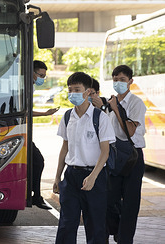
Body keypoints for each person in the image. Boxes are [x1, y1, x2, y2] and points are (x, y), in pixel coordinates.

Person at [53, 72, 115, 244]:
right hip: (71, 177)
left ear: (88, 92)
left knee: (95, 225)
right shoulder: (67, 117)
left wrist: (93, 176)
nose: (72, 93)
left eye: (77, 90)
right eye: (70, 90)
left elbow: (105, 152)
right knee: (66, 223)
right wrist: (58, 176)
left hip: (94, 177)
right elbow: (64, 148)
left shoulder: (100, 118)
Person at [106, 65, 147, 244]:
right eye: (115, 79)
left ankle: (125, 239)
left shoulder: (136, 103)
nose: (118, 83)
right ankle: (116, 230)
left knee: (130, 203)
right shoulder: (111, 102)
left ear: (130, 81)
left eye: (122, 80)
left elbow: (130, 131)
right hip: (115, 155)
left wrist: (116, 109)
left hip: (133, 156)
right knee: (110, 198)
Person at [31, 60, 59, 209]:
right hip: (18, 132)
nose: (42, 78)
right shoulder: (25, 86)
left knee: (37, 161)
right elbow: (26, 111)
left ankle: (35, 195)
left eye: (44, 76)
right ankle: (35, 196)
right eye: (40, 75)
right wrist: (44, 113)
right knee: (38, 161)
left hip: (23, 131)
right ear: (32, 72)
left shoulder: (31, 86)